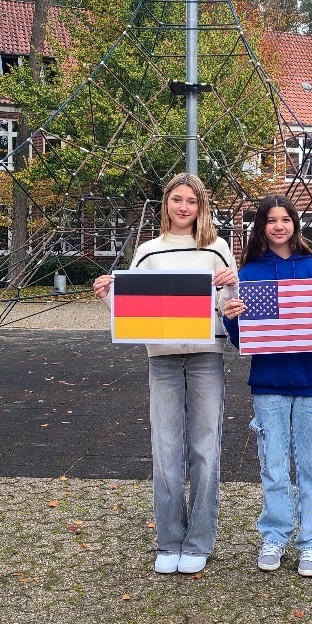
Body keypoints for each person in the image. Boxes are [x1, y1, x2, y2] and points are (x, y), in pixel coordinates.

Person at [93, 173, 238, 575]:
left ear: (201, 205)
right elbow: (133, 310)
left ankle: (199, 541)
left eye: (191, 200)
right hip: (163, 359)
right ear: (166, 204)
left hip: (207, 355)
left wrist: (231, 285)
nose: (184, 207)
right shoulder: (148, 251)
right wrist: (109, 296)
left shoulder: (218, 248)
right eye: (177, 199)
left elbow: (232, 307)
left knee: (205, 449)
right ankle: (170, 540)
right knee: (165, 448)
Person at [221, 195, 312, 577]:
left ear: (295, 224)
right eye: (271, 220)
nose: (279, 226)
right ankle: (275, 536)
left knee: (311, 467)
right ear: (261, 227)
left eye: (285, 219)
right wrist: (231, 319)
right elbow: (244, 339)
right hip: (268, 384)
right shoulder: (250, 275)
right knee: (274, 467)